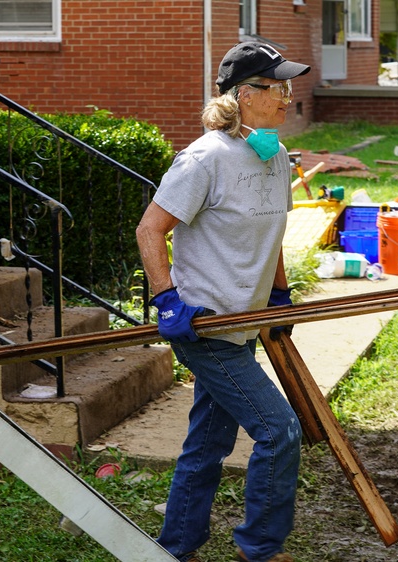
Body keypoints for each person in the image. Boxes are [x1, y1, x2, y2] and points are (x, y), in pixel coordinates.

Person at [135, 42, 310, 562]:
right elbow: (150, 229)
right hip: (205, 327)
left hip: (246, 323)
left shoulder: (274, 156)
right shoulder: (203, 159)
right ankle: (260, 550)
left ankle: (175, 548)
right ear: (242, 95)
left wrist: (279, 295)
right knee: (279, 432)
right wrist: (168, 302)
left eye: (287, 88)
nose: (286, 97)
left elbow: (274, 235)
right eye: (276, 88)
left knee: (207, 446)